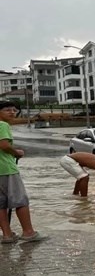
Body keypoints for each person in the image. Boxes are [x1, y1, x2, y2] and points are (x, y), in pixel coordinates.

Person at [0, 101, 45, 243]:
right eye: (7, 110)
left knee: (1, 204)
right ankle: (28, 232)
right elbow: (4, 145)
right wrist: (16, 153)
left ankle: (7, 235)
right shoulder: (3, 125)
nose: (12, 112)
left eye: (14, 110)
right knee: (20, 201)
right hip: (6, 169)